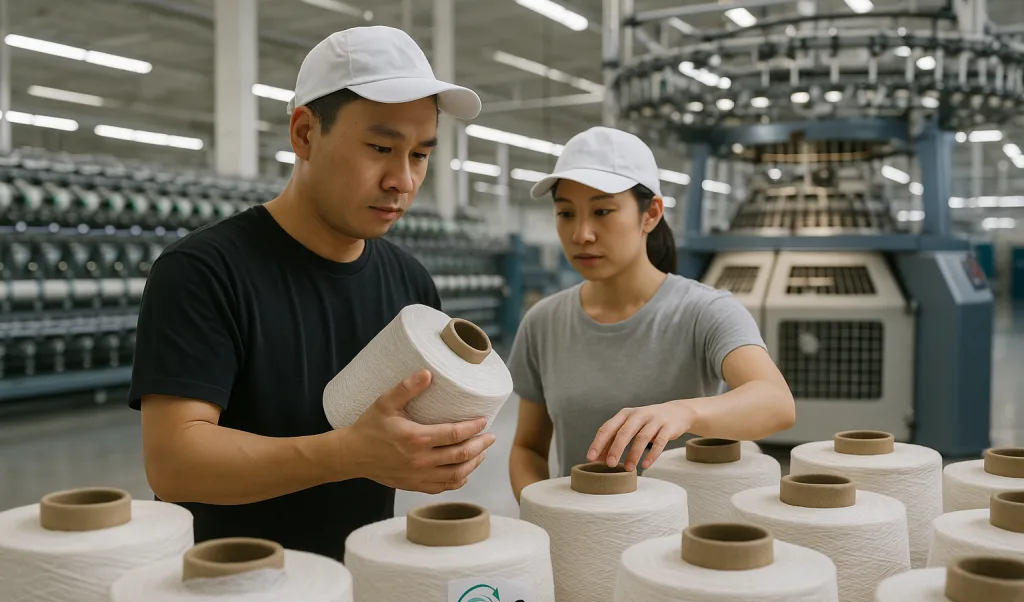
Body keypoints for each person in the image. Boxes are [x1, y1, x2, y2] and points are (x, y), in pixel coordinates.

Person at [130, 26, 493, 561]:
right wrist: (348, 454)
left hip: (356, 588)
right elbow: (175, 463)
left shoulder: (411, 287)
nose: (403, 180)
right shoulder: (203, 272)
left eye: (419, 155)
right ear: (303, 134)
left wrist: (436, 455)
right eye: (380, 147)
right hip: (229, 598)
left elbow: (400, 441)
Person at [507, 126, 795, 501]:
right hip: (581, 538)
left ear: (651, 214)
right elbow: (527, 448)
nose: (581, 234)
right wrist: (551, 514)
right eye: (566, 213)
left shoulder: (704, 312)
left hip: (683, 545)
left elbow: (776, 403)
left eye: (602, 211)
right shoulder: (543, 322)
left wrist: (685, 413)